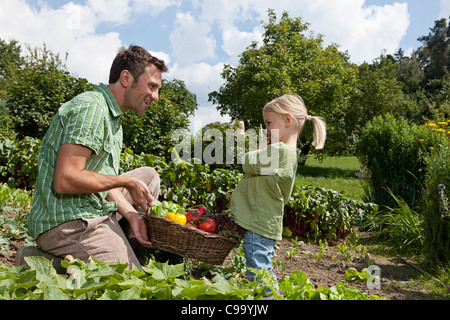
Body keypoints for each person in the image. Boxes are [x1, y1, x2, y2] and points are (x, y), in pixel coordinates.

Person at [26, 45, 168, 270]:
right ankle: (45, 262)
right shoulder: (92, 108)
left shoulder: (114, 118)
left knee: (148, 177)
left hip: (91, 207)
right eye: (151, 86)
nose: (156, 96)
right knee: (133, 282)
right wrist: (125, 182)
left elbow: (102, 180)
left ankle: (114, 250)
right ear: (125, 78)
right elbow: (66, 179)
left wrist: (131, 215)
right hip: (68, 223)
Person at [230, 94, 326, 295]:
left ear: (287, 120)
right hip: (263, 221)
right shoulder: (286, 152)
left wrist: (259, 148)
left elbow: (247, 163)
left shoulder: (280, 151)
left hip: (260, 223)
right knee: (260, 270)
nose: (266, 130)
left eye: (268, 123)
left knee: (260, 273)